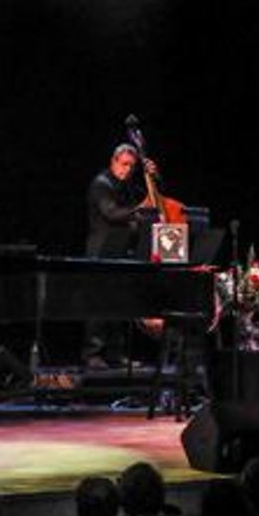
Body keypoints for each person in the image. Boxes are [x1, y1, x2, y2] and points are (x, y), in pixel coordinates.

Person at [83, 144, 157, 367]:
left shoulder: (126, 186)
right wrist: (140, 211)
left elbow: (152, 197)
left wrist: (153, 177)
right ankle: (92, 354)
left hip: (118, 250)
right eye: (124, 164)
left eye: (131, 167)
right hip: (100, 252)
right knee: (97, 304)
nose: (127, 170)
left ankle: (115, 354)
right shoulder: (101, 184)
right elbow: (111, 213)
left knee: (118, 304)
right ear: (113, 161)